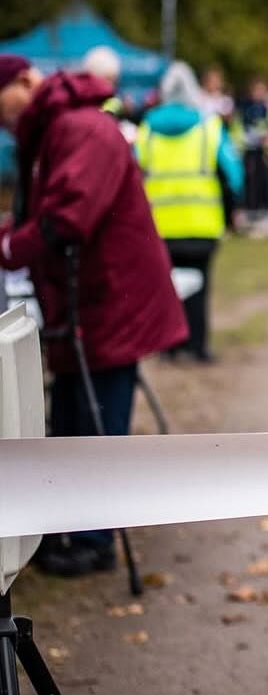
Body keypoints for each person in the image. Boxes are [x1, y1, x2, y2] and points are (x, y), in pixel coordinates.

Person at [0, 55, 187, 575]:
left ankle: (95, 538)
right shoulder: (56, 126)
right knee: (72, 412)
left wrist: (11, 248)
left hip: (112, 297)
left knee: (98, 418)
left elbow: (67, 217)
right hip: (90, 298)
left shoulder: (80, 126)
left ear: (23, 82)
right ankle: (67, 524)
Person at [136, 61, 244, 363]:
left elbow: (131, 170)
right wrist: (234, 204)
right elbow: (233, 172)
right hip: (201, 225)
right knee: (200, 285)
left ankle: (169, 346)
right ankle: (197, 346)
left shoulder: (147, 129)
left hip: (159, 227)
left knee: (166, 288)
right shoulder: (209, 127)